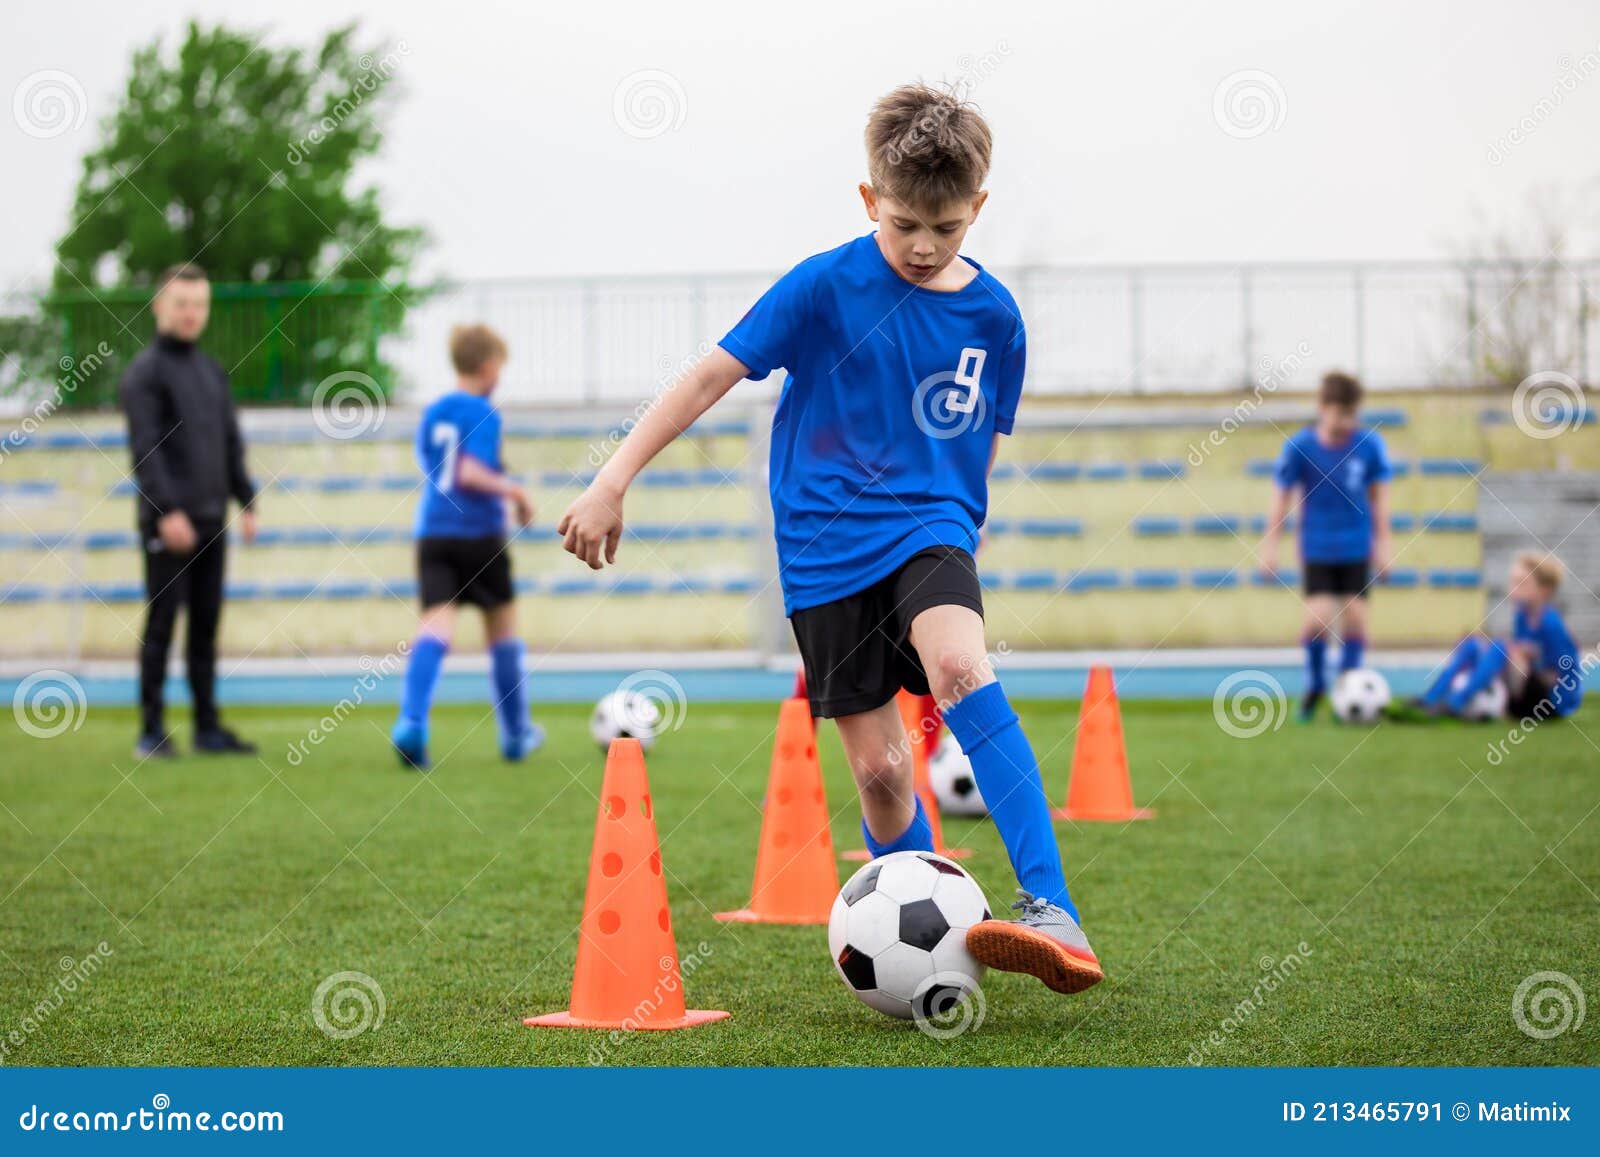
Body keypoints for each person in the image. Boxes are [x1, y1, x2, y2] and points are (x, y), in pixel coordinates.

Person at [559, 84, 1102, 995]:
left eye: (947, 228)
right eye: (904, 226)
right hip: (822, 548)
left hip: (931, 527)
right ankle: (942, 941)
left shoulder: (996, 317)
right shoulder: (822, 285)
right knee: (885, 772)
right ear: (868, 202)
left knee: (964, 668)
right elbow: (707, 379)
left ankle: (1052, 908)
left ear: (978, 207)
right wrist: (613, 478)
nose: (925, 247)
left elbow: (986, 434)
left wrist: (961, 522)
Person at [119, 263, 259, 759]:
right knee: (163, 623)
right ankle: (151, 730)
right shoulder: (144, 374)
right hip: (169, 522)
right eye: (181, 303)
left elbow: (228, 442)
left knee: (206, 624)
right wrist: (166, 510)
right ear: (160, 305)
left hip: (211, 518)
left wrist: (247, 498)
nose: (191, 313)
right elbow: (145, 449)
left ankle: (207, 727)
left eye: (199, 304)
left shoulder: (210, 371)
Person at [390, 324, 542, 770]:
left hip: (434, 532)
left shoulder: (434, 411)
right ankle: (516, 735)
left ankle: (411, 722)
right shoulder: (483, 411)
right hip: (478, 534)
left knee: (435, 629)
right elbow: (470, 474)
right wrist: (515, 492)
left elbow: (436, 468)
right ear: (489, 364)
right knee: (503, 633)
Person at [1259, 371, 1393, 721]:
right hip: (1318, 546)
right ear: (1322, 408)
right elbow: (1281, 498)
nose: (1344, 422)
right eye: (1337, 413)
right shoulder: (1300, 447)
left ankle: (1345, 693)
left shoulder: (1368, 446)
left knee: (1355, 621)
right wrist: (1270, 545)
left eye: (1350, 414)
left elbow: (1379, 499)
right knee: (1317, 620)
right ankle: (1316, 683)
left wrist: (1384, 546)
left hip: (1355, 545)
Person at [1411, 550, 1583, 721]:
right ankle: (1430, 699)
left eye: (1521, 583)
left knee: (1500, 647)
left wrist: (1527, 658)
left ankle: (1456, 704)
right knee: (1472, 645)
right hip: (1527, 689)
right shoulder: (1522, 616)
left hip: (1551, 702)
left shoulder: (1551, 624)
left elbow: (1563, 674)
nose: (1513, 588)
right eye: (1513, 582)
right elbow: (1518, 649)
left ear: (1544, 590)